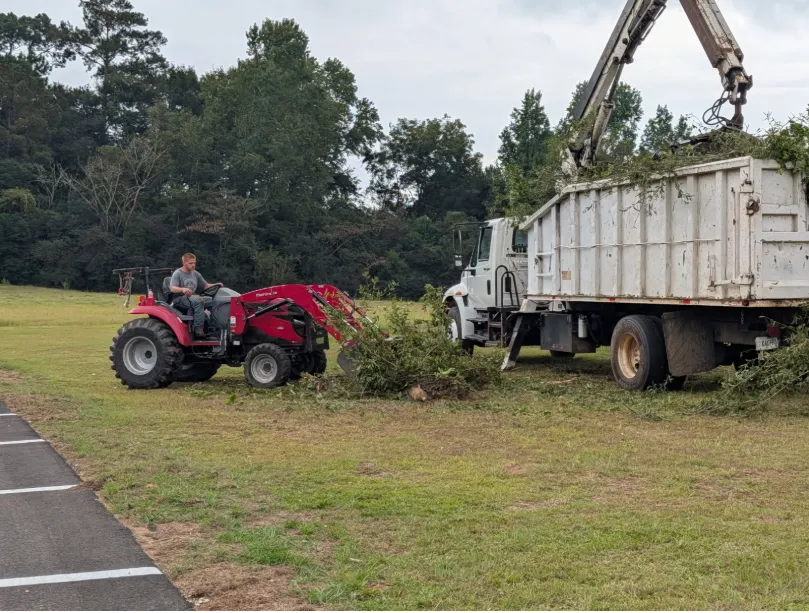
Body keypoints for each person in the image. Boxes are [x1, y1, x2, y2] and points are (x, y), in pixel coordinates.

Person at [170, 253, 222, 338]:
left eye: (194, 263)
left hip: (192, 297)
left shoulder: (196, 274)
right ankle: (198, 329)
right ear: (184, 263)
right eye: (191, 263)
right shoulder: (178, 273)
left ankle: (214, 326)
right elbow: (172, 288)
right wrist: (183, 289)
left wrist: (216, 284)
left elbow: (205, 286)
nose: (193, 265)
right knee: (199, 301)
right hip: (179, 298)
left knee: (213, 301)